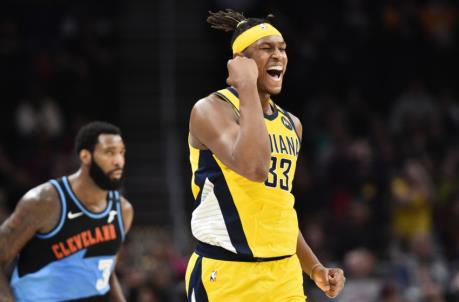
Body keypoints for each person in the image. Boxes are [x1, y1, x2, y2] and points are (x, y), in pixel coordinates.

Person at [185, 9, 346, 301]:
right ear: (240, 62)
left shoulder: (291, 124)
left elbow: (278, 208)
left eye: (282, 49)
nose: (279, 56)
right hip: (227, 273)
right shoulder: (211, 110)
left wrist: (314, 268)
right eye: (266, 48)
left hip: (283, 275)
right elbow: (254, 167)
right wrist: (245, 86)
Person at [0, 121, 134, 301]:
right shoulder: (44, 202)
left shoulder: (123, 211)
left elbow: (105, 271)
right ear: (86, 156)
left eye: (121, 153)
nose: (118, 161)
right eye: (109, 152)